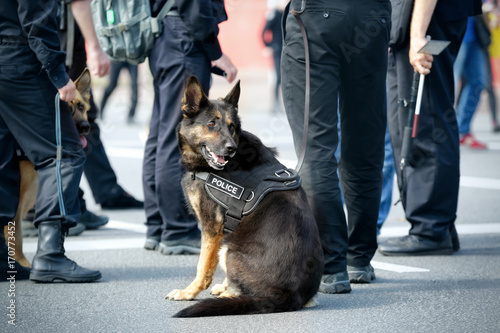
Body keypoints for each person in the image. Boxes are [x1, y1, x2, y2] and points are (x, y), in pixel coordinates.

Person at [281, 0, 391, 293]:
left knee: (315, 148)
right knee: (365, 144)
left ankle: (332, 265)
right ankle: (359, 258)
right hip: (372, 14)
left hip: (316, 16)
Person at [0, 0, 101, 282]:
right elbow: (35, 15)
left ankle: (0, 258)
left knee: (3, 159)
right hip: (19, 60)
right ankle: (49, 255)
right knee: (63, 154)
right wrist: (58, 73)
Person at [379, 0, 482, 256]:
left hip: (426, 21)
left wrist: (417, 34)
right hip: (421, 21)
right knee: (419, 120)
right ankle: (438, 225)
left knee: (425, 121)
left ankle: (431, 228)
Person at [143, 0, 237, 254]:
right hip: (185, 38)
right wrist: (215, 52)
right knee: (179, 139)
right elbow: (196, 6)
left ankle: (158, 226)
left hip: (164, 36)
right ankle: (177, 229)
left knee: (161, 134)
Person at [454, 15, 488, 149]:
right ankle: (445, 131)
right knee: (450, 83)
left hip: (475, 34)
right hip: (455, 33)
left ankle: (462, 129)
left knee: (479, 82)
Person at [262, 0, 286, 113]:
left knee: (286, 77)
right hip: (277, 50)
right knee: (278, 77)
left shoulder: (287, 14)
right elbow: (263, 32)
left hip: (287, 50)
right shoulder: (275, 14)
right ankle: (275, 103)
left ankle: (284, 103)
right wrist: (269, 45)